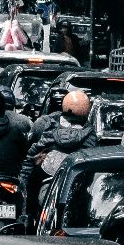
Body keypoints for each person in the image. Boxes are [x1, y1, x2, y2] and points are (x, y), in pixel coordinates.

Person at [20, 91, 95, 222]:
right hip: (74, 180)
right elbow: (92, 158)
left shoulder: (48, 124)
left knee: (31, 190)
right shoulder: (89, 131)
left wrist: (24, 177)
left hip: (45, 175)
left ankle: (31, 220)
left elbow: (32, 152)